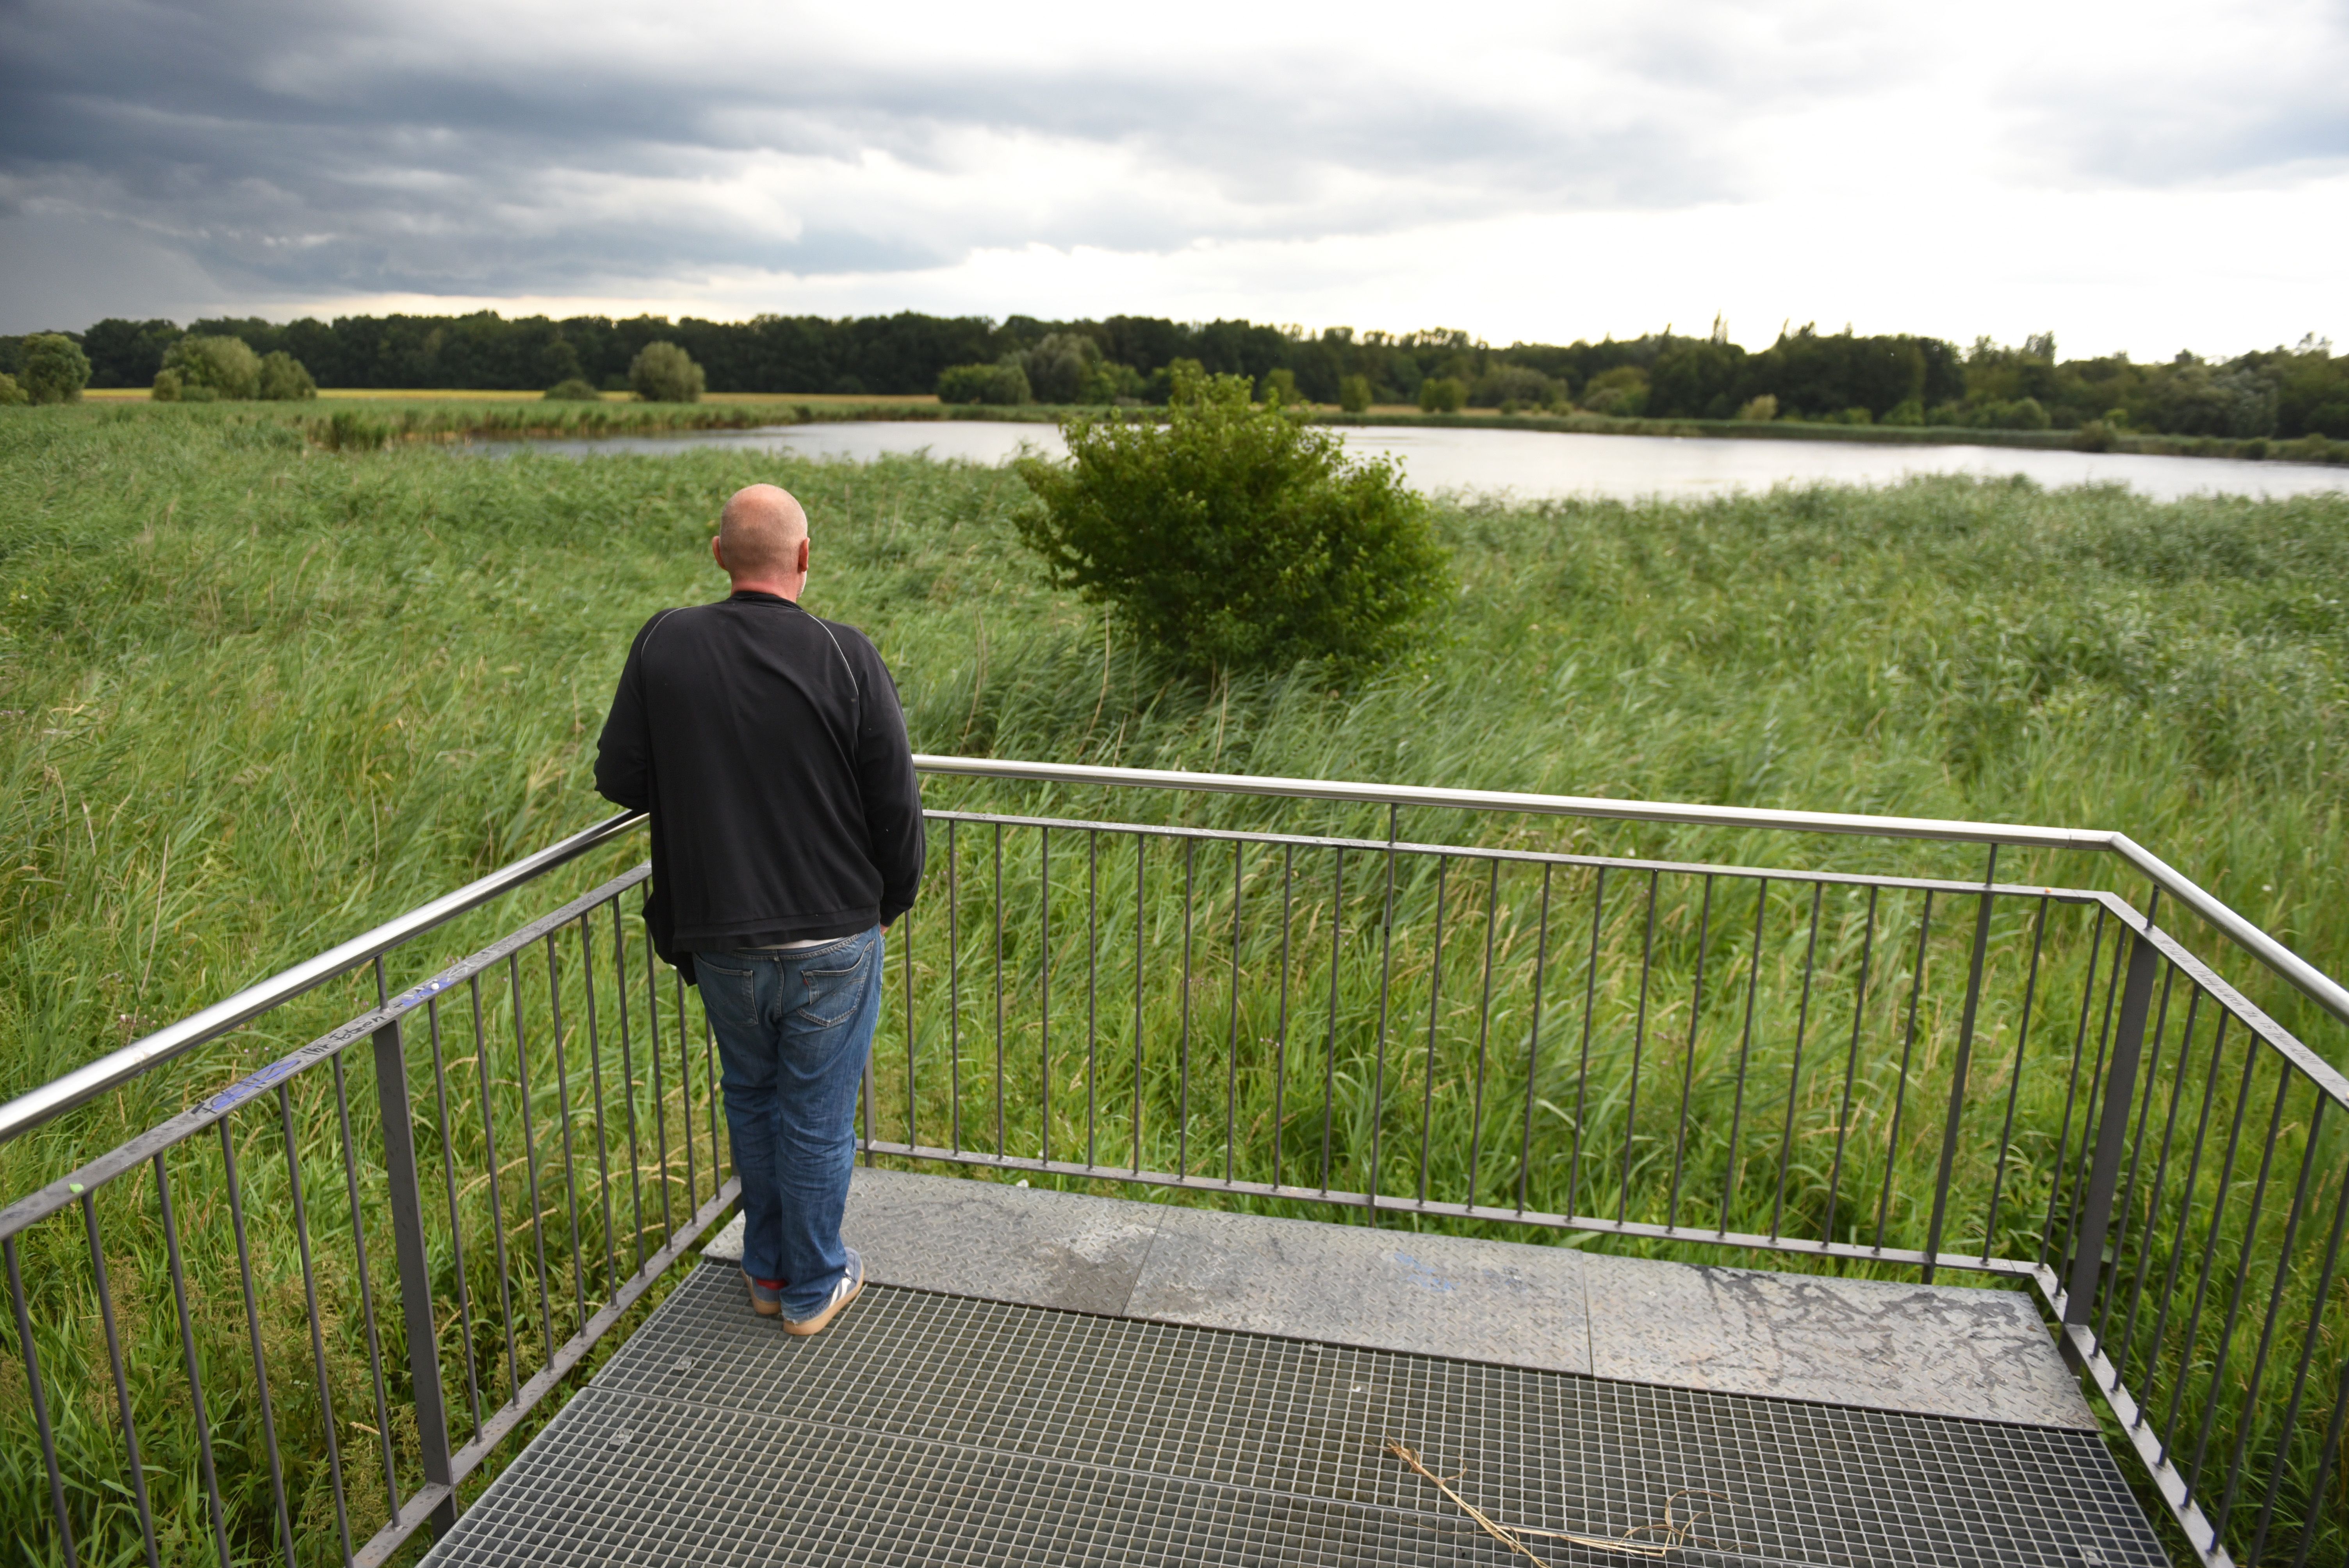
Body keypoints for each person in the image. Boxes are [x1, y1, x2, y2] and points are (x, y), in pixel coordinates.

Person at [595, 483, 923, 1335]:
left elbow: (620, 777)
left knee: (752, 1096)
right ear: (804, 559)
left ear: (717, 555)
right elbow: (896, 805)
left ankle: (768, 1270)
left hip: (720, 937)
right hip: (832, 936)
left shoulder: (665, 641)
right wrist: (889, 902)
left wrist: (702, 771)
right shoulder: (845, 654)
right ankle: (814, 1286)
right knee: (816, 1115)